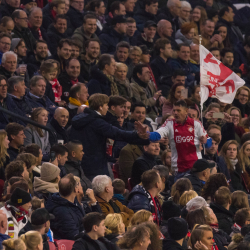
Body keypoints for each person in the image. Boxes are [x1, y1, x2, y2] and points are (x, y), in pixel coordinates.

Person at [69, 93, 148, 180]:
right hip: (96, 165)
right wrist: (138, 134)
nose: (107, 107)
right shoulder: (98, 122)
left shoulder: (79, 119)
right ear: (100, 107)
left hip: (81, 162)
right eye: (106, 105)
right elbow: (118, 133)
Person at [140, 100, 207, 177]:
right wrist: (147, 134)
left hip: (195, 169)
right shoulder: (169, 123)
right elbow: (157, 135)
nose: (175, 113)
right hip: (178, 170)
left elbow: (209, 142)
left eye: (178, 110)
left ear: (186, 111)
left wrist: (205, 141)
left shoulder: (196, 124)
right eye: (174, 110)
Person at [46, 173, 85, 240]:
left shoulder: (73, 202)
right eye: (78, 185)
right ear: (75, 189)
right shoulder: (61, 212)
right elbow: (73, 236)